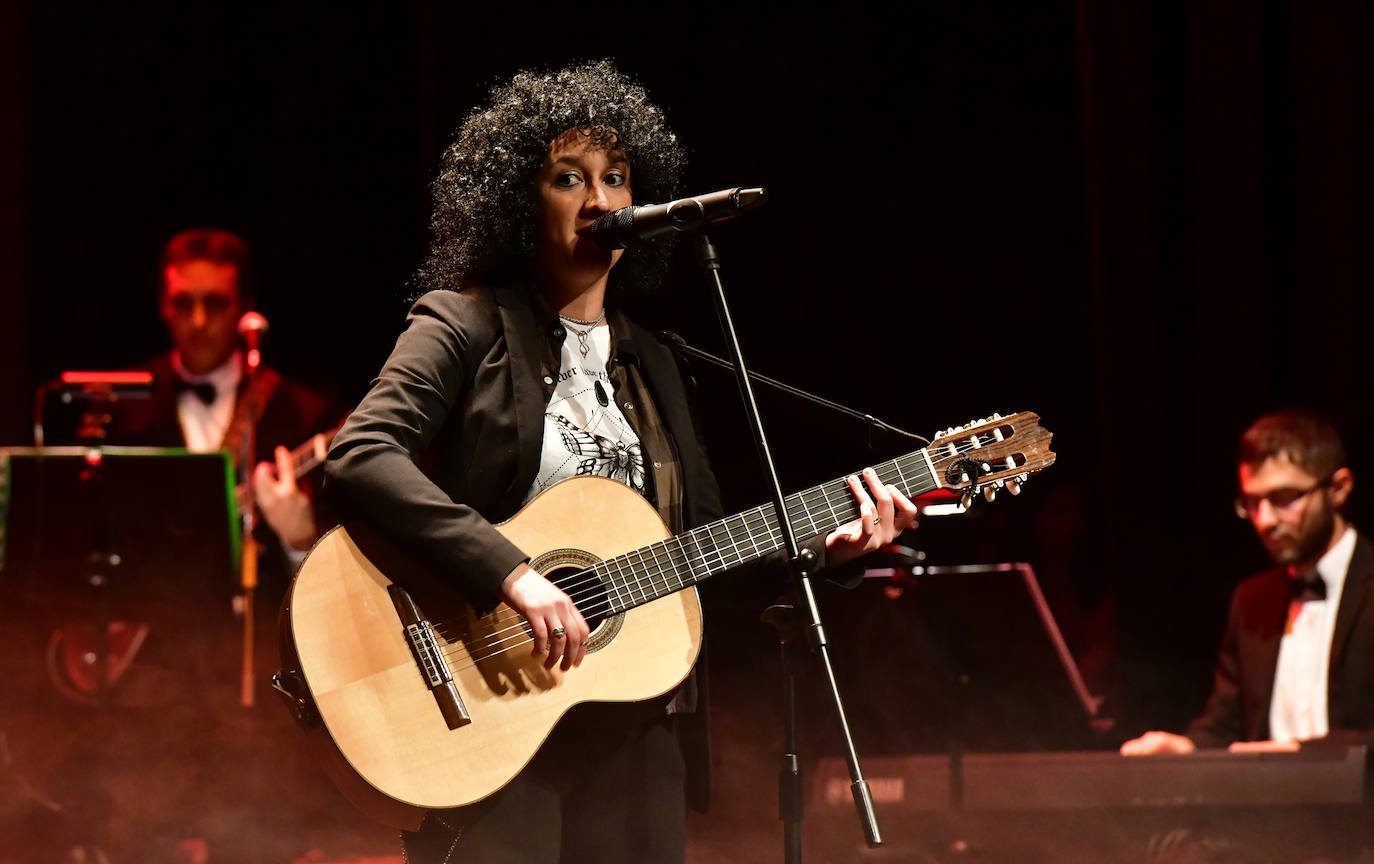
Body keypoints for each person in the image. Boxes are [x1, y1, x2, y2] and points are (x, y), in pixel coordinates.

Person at [322, 60, 917, 863]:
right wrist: (512, 571)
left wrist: (826, 552)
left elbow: (701, 551)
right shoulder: (463, 324)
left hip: (633, 737)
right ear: (517, 202)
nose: (602, 201)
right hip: (493, 720)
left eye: (618, 177)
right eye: (570, 177)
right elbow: (361, 454)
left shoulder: (654, 364)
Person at [1120, 409, 1373, 755]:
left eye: (1284, 498)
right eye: (1253, 503)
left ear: (1338, 489)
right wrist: (1187, 749)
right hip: (1265, 806)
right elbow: (1227, 725)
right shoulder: (1252, 599)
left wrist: (1305, 753)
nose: (1265, 520)